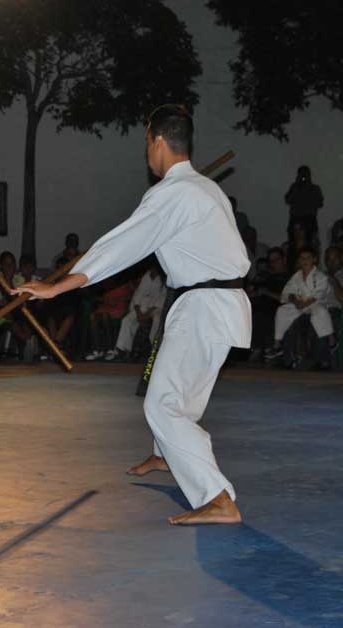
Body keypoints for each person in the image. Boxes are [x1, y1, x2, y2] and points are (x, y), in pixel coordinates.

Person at [14, 104, 250, 525]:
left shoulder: (171, 195)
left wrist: (56, 286)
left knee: (162, 405)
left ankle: (217, 497)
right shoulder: (205, 190)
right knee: (180, 398)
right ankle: (166, 456)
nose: (146, 152)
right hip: (217, 306)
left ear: (157, 141)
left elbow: (119, 246)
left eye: (146, 143)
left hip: (203, 307)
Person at [264, 246, 334, 370]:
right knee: (282, 310)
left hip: (317, 303)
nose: (305, 260)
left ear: (315, 259)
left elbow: (317, 295)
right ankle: (277, 344)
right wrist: (295, 300)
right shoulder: (296, 276)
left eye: (308, 258)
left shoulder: (321, 276)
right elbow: (287, 293)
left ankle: (331, 342)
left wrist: (302, 303)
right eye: (302, 258)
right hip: (300, 304)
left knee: (320, 313)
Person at [96, 260, 165, 361]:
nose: (152, 268)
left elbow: (162, 298)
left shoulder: (163, 279)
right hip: (142, 307)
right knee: (126, 320)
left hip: (156, 308)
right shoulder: (146, 277)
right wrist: (138, 311)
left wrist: (147, 314)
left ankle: (154, 347)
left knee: (157, 319)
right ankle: (123, 350)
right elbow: (138, 294)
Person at [247, 246, 290, 358]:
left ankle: (265, 349)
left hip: (279, 308)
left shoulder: (290, 277)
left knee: (262, 314)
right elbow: (254, 291)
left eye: (276, 260)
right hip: (260, 306)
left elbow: (287, 298)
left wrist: (266, 292)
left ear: (284, 259)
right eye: (271, 261)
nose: (274, 263)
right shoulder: (267, 277)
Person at [284, 165, 323, 243]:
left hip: (310, 219)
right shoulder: (294, 187)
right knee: (294, 242)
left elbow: (320, 203)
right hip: (295, 219)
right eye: (301, 174)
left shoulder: (315, 188)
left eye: (306, 174)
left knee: (311, 243)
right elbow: (288, 200)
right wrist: (296, 186)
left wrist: (309, 190)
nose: (303, 176)